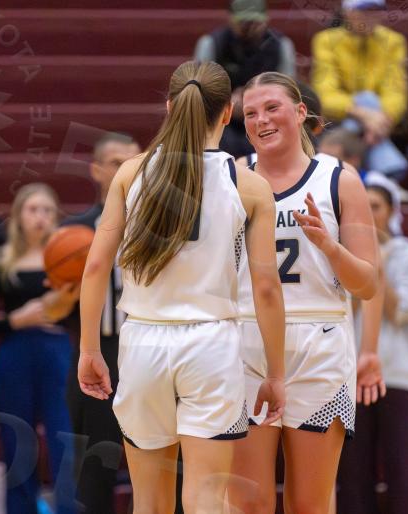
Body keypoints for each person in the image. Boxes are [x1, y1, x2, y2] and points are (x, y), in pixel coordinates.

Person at [77, 60, 286, 514]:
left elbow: (95, 268)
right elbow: (267, 289)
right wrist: (275, 373)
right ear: (227, 113)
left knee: (149, 503)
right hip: (211, 345)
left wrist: (89, 348)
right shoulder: (250, 186)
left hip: (142, 341)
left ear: (170, 107)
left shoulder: (129, 173)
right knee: (206, 498)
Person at [228, 71, 380, 514]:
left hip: (320, 342)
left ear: (299, 113)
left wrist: (330, 247)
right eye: (250, 113)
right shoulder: (231, 177)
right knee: (248, 503)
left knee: (309, 505)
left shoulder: (339, 179)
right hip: (247, 340)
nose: (261, 119)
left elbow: (367, 284)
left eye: (272, 108)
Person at [337, 172, 408, 514]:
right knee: (352, 468)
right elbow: (339, 313)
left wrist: (376, 267)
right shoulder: (342, 254)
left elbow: (402, 313)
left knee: (401, 465)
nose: (368, 213)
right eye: (363, 206)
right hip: (350, 373)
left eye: (375, 206)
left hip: (395, 372)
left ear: (391, 210)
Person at [0, 183, 80, 514]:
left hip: (57, 351)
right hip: (15, 353)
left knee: (64, 438)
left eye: (48, 210)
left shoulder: (69, 256)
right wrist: (14, 320)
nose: (41, 217)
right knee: (16, 438)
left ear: (56, 217)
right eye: (33, 209)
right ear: (18, 215)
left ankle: (68, 508)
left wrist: (63, 305)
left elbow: (84, 314)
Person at [61, 133, 140, 514]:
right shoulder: (73, 233)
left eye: (133, 161)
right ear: (95, 170)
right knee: (95, 468)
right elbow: (58, 311)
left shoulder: (159, 224)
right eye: (116, 162)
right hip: (98, 351)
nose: (126, 169)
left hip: (150, 350)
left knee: (164, 466)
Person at [311, 0, 408, 178]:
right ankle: (385, 174)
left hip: (379, 122)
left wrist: (379, 121)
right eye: (364, 11)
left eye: (375, 10)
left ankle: (353, 177)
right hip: (338, 119)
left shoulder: (394, 41)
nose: (370, 17)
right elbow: (325, 95)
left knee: (368, 99)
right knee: (366, 100)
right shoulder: (326, 40)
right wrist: (362, 114)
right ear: (347, 12)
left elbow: (395, 92)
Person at [195, 0, 296, 157]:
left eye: (254, 22)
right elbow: (200, 91)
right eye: (243, 22)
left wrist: (256, 102)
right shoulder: (212, 43)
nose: (249, 26)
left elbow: (288, 91)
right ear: (230, 19)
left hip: (267, 116)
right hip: (222, 119)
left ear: (266, 19)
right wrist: (226, 102)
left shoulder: (281, 45)